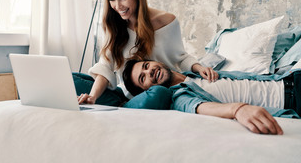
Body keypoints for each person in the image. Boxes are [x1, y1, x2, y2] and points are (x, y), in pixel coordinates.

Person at [77, 0, 218, 106]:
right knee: (73, 79)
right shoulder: (114, 26)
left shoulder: (167, 22)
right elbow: (105, 67)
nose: (118, 6)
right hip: (125, 95)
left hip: (159, 94)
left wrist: (200, 68)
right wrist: (92, 97)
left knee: (157, 93)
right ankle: (119, 103)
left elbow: (181, 58)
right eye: (112, 0)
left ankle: (123, 105)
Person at [122, 59, 301, 135]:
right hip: (291, 100)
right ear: (145, 90)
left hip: (289, 79)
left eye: (146, 65)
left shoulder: (196, 73)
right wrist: (238, 109)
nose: (149, 71)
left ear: (156, 61)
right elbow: (198, 107)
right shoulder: (179, 97)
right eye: (143, 78)